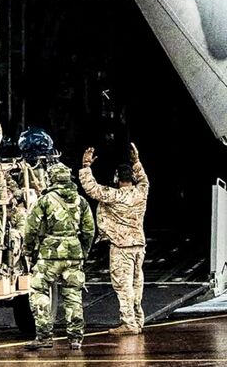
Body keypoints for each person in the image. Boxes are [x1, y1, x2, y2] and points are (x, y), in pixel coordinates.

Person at [79, 143, 149, 335]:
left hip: (121, 246)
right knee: (136, 284)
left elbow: (91, 189)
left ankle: (128, 323)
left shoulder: (114, 195)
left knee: (123, 286)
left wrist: (86, 166)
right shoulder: (141, 193)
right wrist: (136, 161)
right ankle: (138, 319)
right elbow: (144, 179)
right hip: (138, 245)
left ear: (117, 179)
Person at [24, 163, 95, 351]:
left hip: (49, 254)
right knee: (73, 294)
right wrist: (83, 251)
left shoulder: (44, 200)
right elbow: (89, 230)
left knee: (38, 291)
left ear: (52, 178)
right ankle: (75, 338)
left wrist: (28, 250)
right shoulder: (81, 201)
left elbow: (30, 228)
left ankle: (44, 335)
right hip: (73, 253)